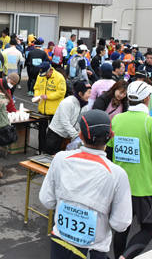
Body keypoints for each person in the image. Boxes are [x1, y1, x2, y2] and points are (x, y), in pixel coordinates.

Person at [39, 110, 132, 259]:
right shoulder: (117, 173)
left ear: (80, 135)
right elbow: (120, 223)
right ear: (111, 136)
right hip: (92, 249)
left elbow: (47, 200)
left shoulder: (61, 159)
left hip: (59, 241)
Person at [105, 81, 152, 259]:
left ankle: (119, 256)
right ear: (147, 99)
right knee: (149, 227)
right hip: (142, 186)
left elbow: (108, 153)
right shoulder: (151, 123)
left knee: (122, 227)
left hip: (119, 185)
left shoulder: (117, 119)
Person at [44, 81, 91, 155]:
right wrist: (76, 136)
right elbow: (65, 122)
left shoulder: (84, 105)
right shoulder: (68, 102)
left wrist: (80, 136)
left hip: (68, 137)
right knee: (50, 160)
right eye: (88, 93)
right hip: (55, 135)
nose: (90, 95)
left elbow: (81, 121)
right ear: (80, 93)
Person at [34, 62, 67, 152]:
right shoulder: (40, 76)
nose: (44, 76)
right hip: (42, 109)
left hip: (54, 110)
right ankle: (41, 149)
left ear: (51, 70)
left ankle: (50, 151)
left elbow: (61, 92)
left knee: (53, 133)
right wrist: (37, 96)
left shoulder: (59, 77)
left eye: (46, 74)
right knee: (41, 131)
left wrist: (48, 96)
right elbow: (36, 88)